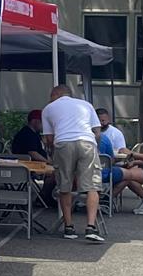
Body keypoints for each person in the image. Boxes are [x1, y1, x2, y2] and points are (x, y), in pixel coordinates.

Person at [41, 84, 102, 242]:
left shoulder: (48, 109)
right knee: (92, 186)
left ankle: (69, 227)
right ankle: (91, 227)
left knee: (64, 186)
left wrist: (52, 154)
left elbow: (48, 138)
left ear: (56, 94)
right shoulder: (86, 105)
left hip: (63, 143)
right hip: (87, 142)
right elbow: (97, 132)